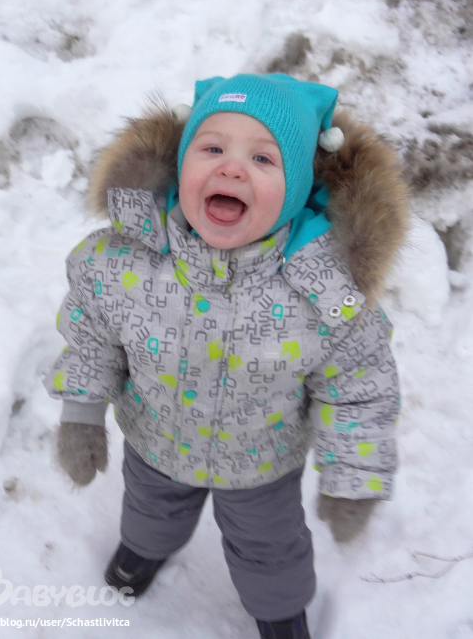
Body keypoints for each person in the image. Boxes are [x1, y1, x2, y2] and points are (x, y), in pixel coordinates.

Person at [45, 74, 408, 639]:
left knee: (271, 549)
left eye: (262, 159)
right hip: (156, 444)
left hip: (261, 465)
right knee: (149, 511)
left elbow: (359, 385)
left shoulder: (324, 290)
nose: (232, 169)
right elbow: (91, 335)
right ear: (181, 164)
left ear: (296, 190)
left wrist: (352, 474)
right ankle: (144, 549)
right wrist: (81, 413)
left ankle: (280, 612)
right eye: (212, 149)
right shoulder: (125, 260)